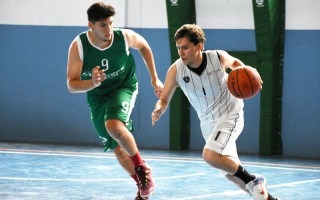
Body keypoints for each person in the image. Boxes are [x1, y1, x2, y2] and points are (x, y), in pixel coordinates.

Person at [151, 24, 278, 200]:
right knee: (231, 173)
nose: (181, 52)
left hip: (229, 114)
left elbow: (235, 64)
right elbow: (164, 98)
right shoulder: (176, 70)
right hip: (207, 123)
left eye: (186, 47)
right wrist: (159, 109)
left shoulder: (217, 58)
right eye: (179, 48)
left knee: (210, 156)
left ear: (199, 46)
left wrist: (250, 74)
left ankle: (255, 180)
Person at [67, 2, 163, 199]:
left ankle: (143, 169)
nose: (108, 29)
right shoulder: (79, 46)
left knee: (114, 126)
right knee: (117, 148)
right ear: (90, 25)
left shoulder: (123, 37)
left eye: (111, 23)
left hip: (124, 86)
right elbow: (71, 84)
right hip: (97, 95)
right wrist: (92, 83)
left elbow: (144, 45)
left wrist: (154, 77)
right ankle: (142, 187)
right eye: (103, 25)